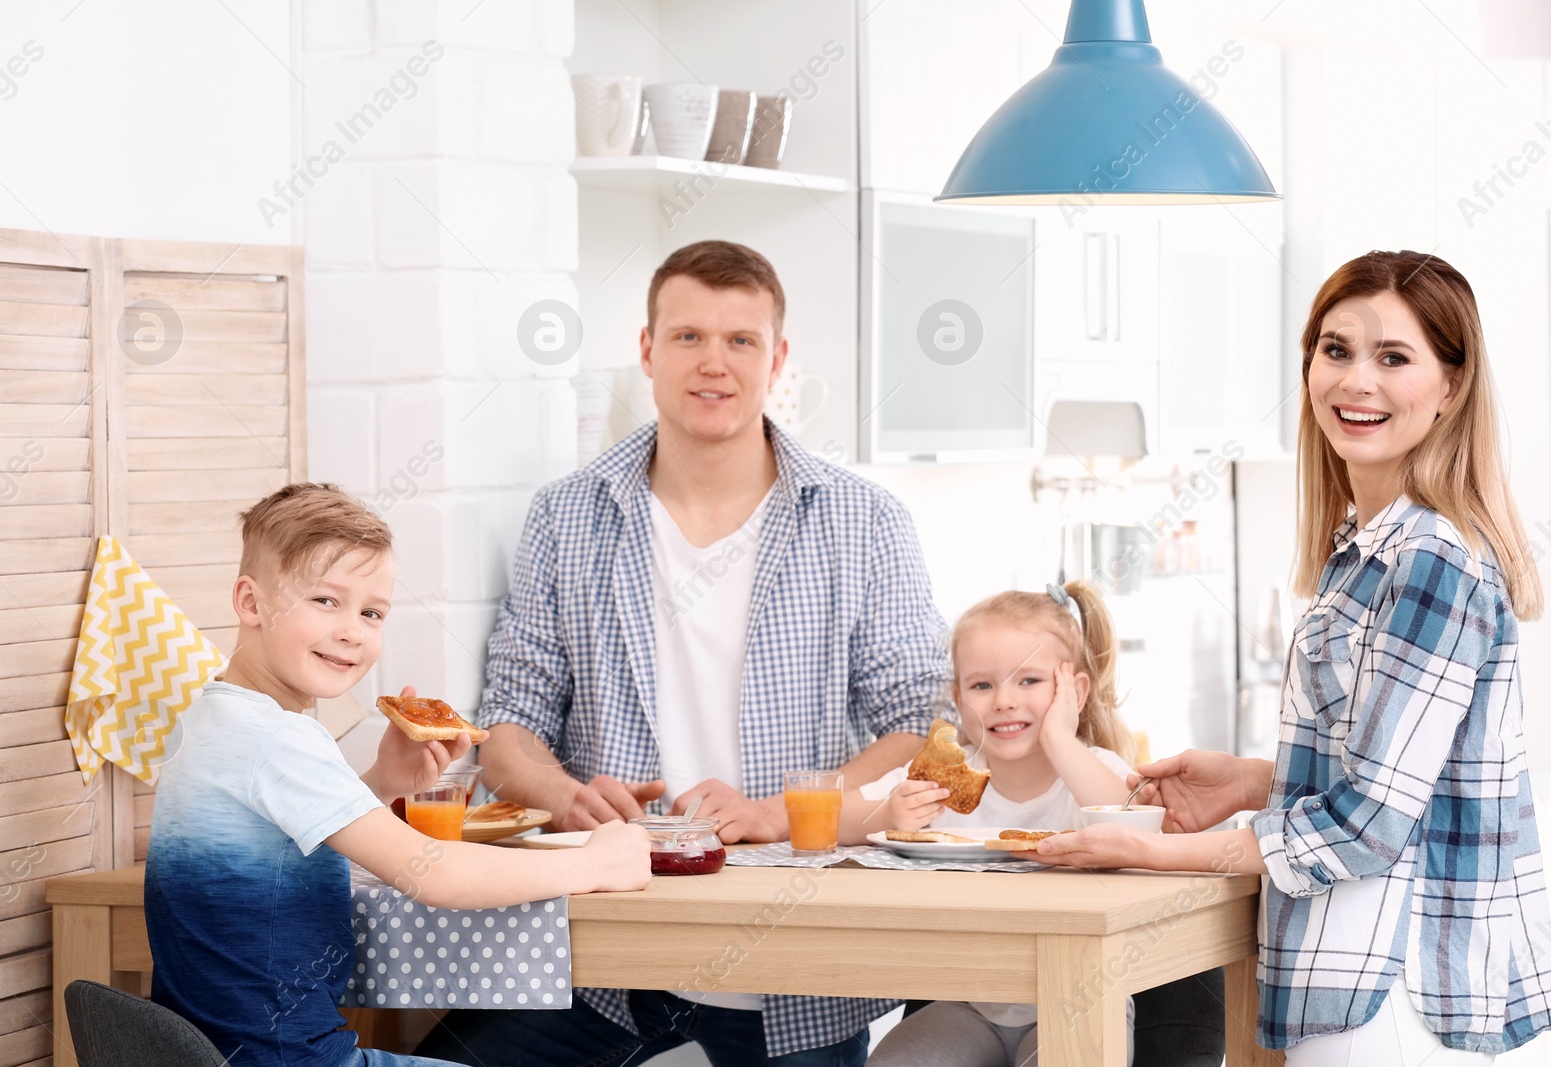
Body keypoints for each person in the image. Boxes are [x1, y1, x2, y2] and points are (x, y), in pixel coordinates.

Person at [414, 240, 952, 1065]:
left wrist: (778, 811)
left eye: (741, 341)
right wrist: (562, 796)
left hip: (793, 959)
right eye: (689, 336)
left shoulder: (863, 520)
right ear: (647, 350)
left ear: (777, 360)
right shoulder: (566, 517)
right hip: (600, 950)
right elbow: (509, 723)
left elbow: (921, 728)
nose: (714, 363)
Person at [1036, 251, 1551, 1064]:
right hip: (1370, 980)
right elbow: (1395, 771)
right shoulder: (1365, 549)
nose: (1356, 381)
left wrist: (1152, 850)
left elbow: (1371, 821)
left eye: (1394, 358)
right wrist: (1251, 779)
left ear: (1451, 385)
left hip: (1398, 989)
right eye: (1336, 349)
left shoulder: (1430, 560)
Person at [144, 483, 651, 1067]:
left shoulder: (212, 716)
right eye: (325, 600)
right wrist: (595, 863)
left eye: (372, 612)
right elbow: (434, 876)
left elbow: (281, 839)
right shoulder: (281, 737)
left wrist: (383, 782)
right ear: (251, 603)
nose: (353, 630)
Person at [843, 582, 1138, 1065]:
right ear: (959, 701)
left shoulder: (1094, 771)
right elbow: (834, 819)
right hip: (966, 1001)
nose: (1004, 700)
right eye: (982, 685)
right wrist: (889, 813)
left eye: (1029, 682)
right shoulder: (943, 775)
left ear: (1074, 691)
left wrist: (1061, 736)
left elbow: (1132, 828)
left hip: (1079, 998)